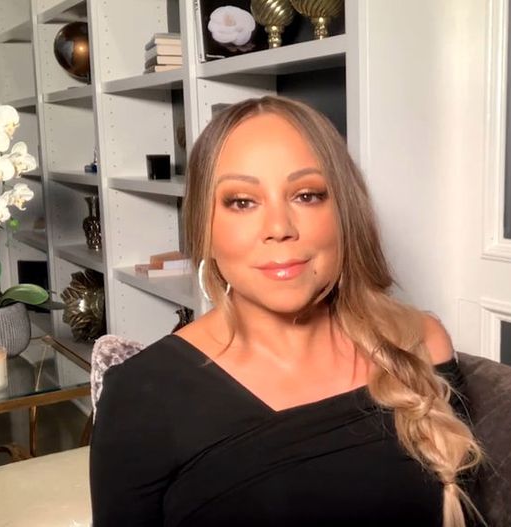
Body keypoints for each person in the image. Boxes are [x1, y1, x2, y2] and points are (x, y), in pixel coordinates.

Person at [89, 96, 482, 526]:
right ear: (205, 225)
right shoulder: (139, 395)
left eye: (307, 195)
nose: (279, 228)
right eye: (242, 201)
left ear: (344, 213)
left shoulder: (419, 342)